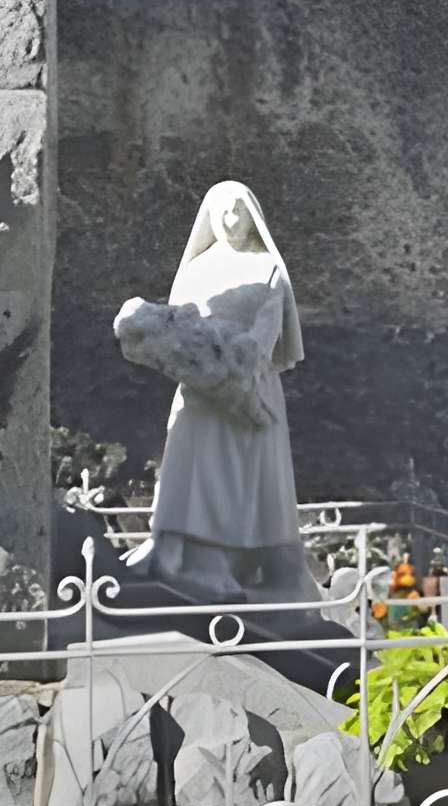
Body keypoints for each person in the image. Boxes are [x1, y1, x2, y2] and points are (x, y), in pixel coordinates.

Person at [114, 180, 318, 602]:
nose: (229, 221)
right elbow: (178, 324)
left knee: (248, 477)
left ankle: (243, 562)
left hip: (254, 387)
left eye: (237, 213)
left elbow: (267, 329)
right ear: (209, 217)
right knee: (194, 470)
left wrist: (242, 365)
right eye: (222, 213)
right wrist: (205, 363)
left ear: (251, 215)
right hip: (200, 391)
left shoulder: (269, 268)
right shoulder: (197, 268)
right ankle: (187, 558)